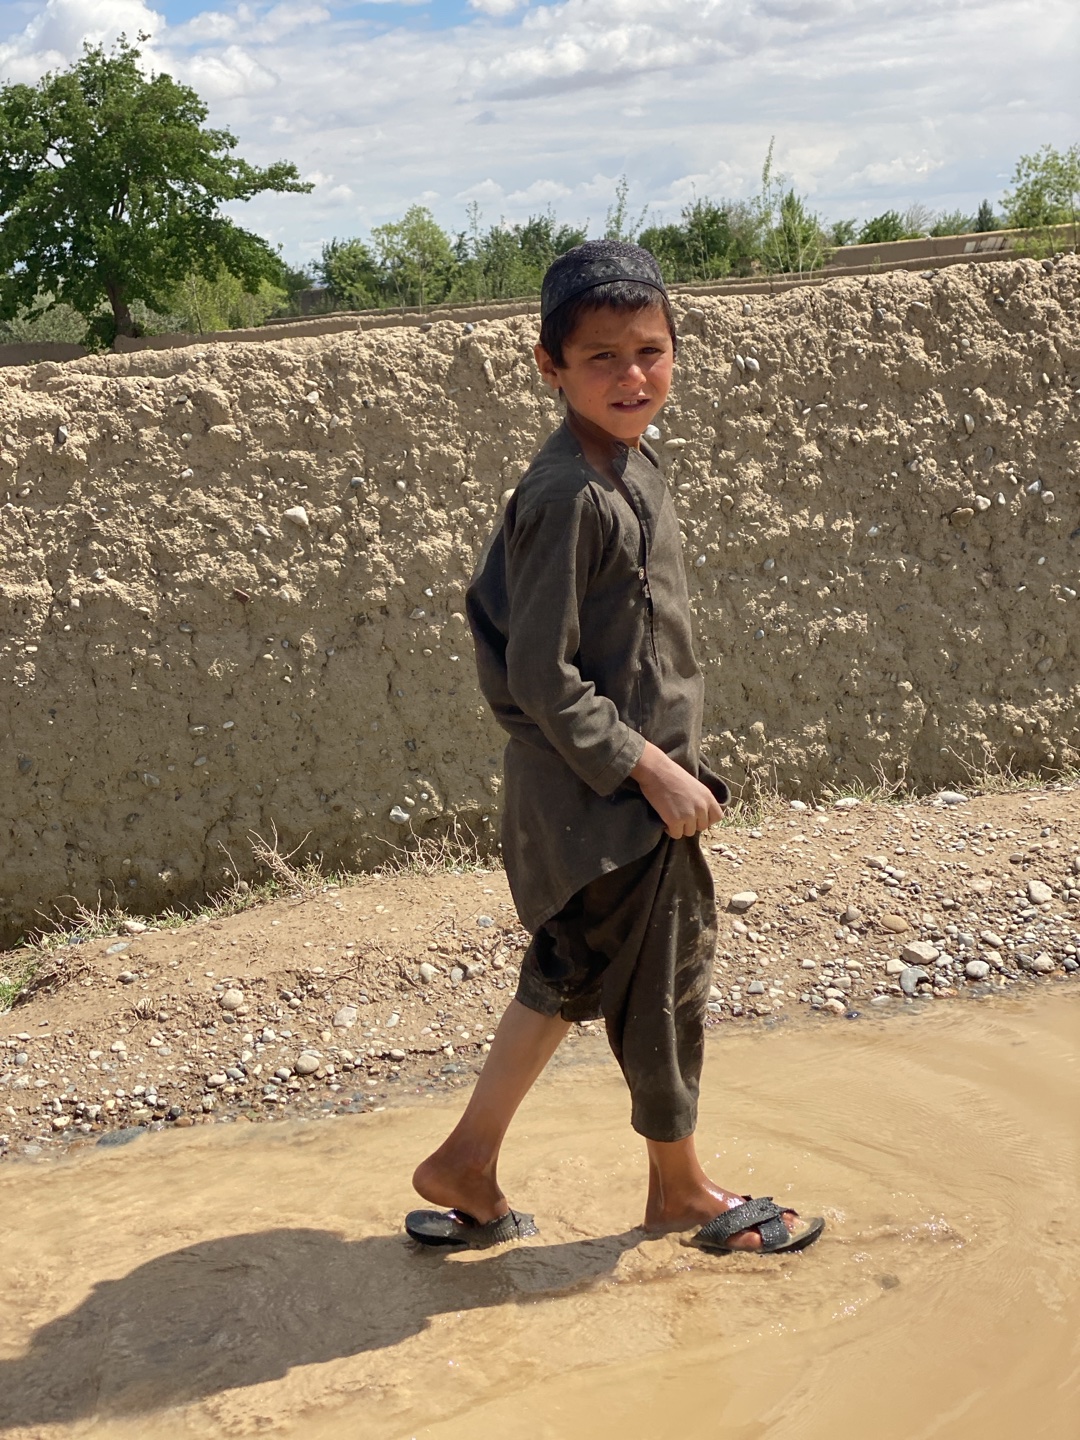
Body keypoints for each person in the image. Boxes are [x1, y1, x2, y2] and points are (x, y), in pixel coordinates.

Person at [406, 241, 824, 1256]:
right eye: (602, 357)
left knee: (567, 971)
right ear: (549, 367)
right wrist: (655, 768)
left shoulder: (628, 466)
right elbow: (539, 675)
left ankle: (466, 1161)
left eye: (650, 351)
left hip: (599, 801)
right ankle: (680, 1191)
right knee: (664, 984)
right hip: (613, 806)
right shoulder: (568, 496)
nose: (632, 376)